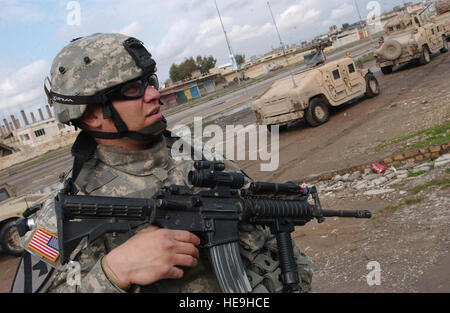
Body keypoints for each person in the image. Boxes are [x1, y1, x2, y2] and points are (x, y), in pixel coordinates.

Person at [12, 33, 313, 293]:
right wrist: (113, 272)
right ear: (91, 115)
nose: (155, 94)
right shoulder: (64, 213)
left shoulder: (203, 162)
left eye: (149, 81)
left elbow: (280, 245)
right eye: (132, 89)